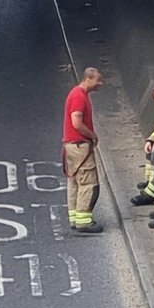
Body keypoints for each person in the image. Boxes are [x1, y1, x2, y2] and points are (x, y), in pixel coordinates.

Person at [62, 67, 104, 234]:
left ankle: (75, 218)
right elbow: (77, 123)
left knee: (74, 182)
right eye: (98, 80)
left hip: (71, 146)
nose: (101, 84)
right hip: (79, 146)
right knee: (88, 183)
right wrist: (92, 135)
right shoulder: (79, 96)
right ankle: (84, 221)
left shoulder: (78, 94)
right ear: (89, 79)